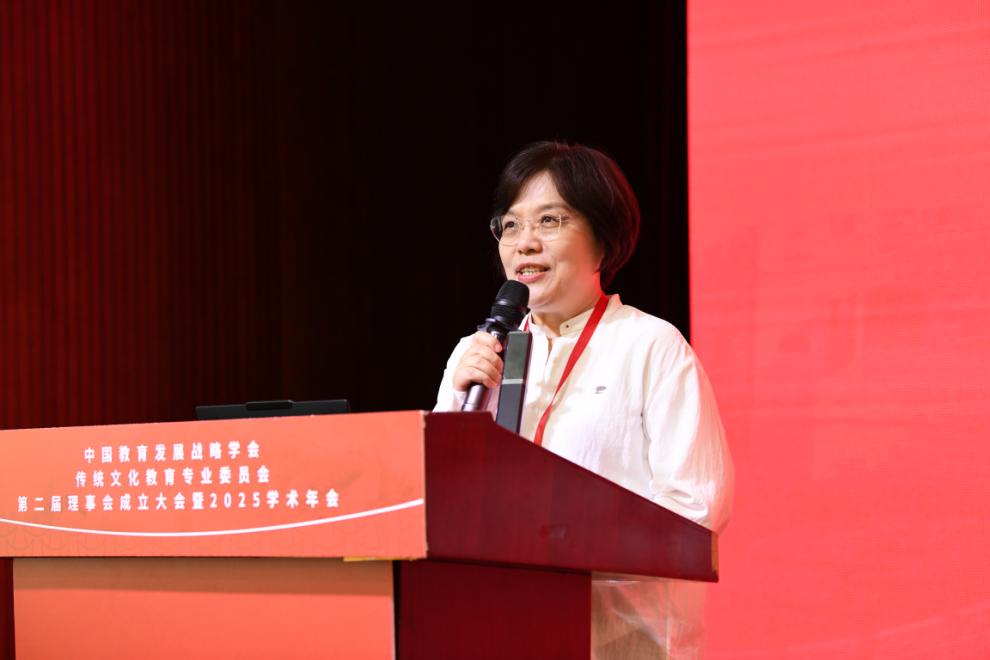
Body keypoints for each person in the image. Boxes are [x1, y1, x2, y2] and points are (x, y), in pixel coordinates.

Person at [433, 141, 733, 659]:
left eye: (549, 221)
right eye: (510, 225)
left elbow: (696, 509)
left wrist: (567, 548)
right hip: (499, 626)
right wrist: (457, 412)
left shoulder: (649, 345)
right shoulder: (477, 355)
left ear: (602, 239)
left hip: (624, 637)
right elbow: (436, 501)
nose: (525, 243)